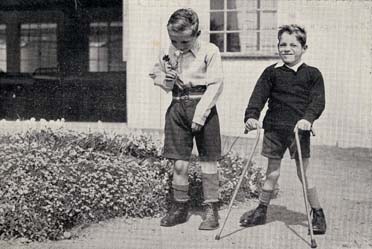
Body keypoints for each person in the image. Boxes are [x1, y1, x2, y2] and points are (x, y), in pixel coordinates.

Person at [241, 24, 327, 234]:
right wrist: (251, 117)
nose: (287, 49)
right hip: (274, 129)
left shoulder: (312, 74)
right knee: (272, 173)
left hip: (299, 131)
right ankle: (261, 210)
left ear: (304, 48)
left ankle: (317, 213)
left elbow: (317, 101)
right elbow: (258, 97)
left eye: (293, 45)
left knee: (304, 173)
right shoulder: (272, 72)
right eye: (283, 44)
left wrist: (308, 119)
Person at [149, 8, 223, 230]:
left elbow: (216, 85)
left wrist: (200, 115)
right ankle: (180, 208)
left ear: (197, 33)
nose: (179, 47)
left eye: (185, 42)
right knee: (179, 163)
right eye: (175, 41)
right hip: (178, 107)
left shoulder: (210, 51)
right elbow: (156, 75)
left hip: (204, 108)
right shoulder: (167, 51)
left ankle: (211, 209)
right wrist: (167, 79)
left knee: (208, 161)